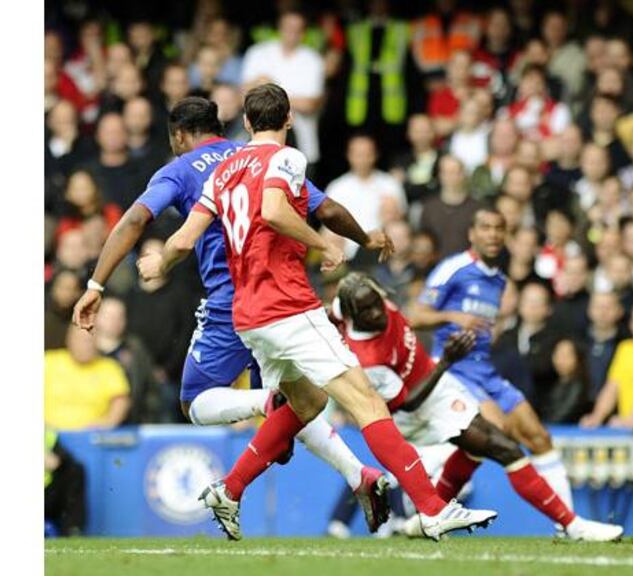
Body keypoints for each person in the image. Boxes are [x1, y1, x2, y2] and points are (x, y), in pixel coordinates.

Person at [138, 84, 496, 541]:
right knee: (366, 401)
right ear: (288, 120)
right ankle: (431, 509)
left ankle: (229, 490)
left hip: (247, 315)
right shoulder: (287, 159)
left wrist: (159, 262)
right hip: (286, 305)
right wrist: (325, 242)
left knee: (307, 401)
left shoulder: (224, 169)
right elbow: (273, 209)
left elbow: (186, 238)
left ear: (246, 123)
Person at [71, 96, 396, 535]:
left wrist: (95, 285)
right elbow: (328, 210)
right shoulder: (257, 157)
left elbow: (134, 219)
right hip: (282, 298)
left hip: (232, 303)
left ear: (179, 136)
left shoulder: (181, 168)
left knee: (196, 403)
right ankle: (360, 474)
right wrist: (364, 239)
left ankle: (268, 404)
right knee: (299, 409)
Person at [333, 273, 621, 541]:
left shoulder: (355, 300)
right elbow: (407, 401)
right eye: (367, 310)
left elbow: (327, 311)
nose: (377, 312)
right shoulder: (367, 361)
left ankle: (428, 518)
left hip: (435, 386)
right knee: (504, 447)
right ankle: (572, 525)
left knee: (485, 442)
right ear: (351, 315)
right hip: (414, 412)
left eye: (377, 303)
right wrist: (446, 360)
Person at [409, 208, 577, 519]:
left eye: (499, 228)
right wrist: (452, 316)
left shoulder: (498, 281)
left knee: (538, 435)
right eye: (485, 227)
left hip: (484, 369)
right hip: (454, 369)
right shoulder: (453, 269)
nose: (493, 234)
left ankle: (568, 522)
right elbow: (414, 315)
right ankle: (433, 508)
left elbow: (485, 329)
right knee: (494, 432)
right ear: (472, 234)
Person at [241, 10, 325, 166]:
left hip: (302, 145)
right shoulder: (258, 53)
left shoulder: (313, 59)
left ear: (304, 33)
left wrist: (266, 90)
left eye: (297, 29)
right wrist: (289, 99)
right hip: (257, 144)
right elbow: (243, 96)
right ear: (279, 28)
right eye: (288, 27)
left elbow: (310, 105)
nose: (292, 33)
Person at [325, 135, 406, 259]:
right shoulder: (337, 187)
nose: (362, 159)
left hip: (383, 252)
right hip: (346, 254)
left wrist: (392, 215)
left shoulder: (390, 184)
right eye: (358, 154)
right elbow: (327, 227)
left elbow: (402, 219)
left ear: (375, 155)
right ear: (349, 156)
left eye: (367, 154)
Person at [44, 326, 131, 431]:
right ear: (68, 339)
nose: (85, 346)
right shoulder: (48, 361)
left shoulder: (109, 367)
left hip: (91, 436)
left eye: (89, 341)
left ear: (97, 343)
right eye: (80, 340)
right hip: (48, 434)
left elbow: (121, 401)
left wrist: (108, 423)